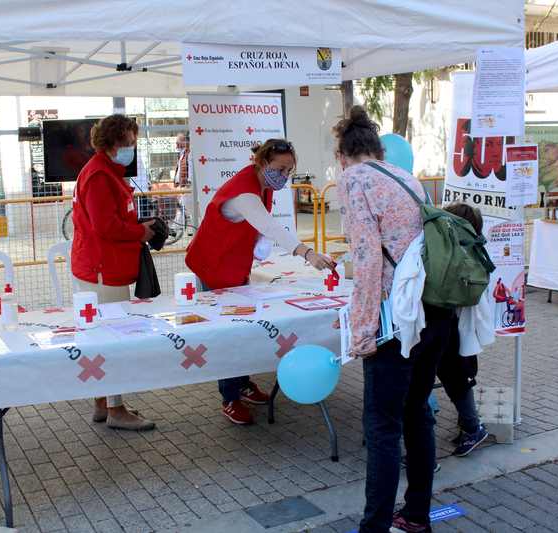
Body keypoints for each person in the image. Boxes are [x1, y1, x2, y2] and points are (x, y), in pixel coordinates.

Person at [334, 106, 454, 533]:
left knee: (382, 427)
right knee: (417, 412)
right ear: (377, 148)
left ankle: (375, 527)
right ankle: (417, 515)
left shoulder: (353, 179)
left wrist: (362, 331)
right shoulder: (407, 177)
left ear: (343, 154)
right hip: (435, 310)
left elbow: (367, 262)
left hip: (396, 321)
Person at [186, 139, 335, 425]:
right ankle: (230, 397)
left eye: (289, 171)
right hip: (213, 266)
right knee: (227, 334)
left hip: (233, 266)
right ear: (262, 163)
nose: (284, 176)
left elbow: (260, 228)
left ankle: (242, 383)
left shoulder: (261, 185)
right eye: (280, 169)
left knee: (242, 330)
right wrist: (307, 253)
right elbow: (270, 225)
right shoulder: (245, 192)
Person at [71, 114, 156, 431]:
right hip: (102, 269)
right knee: (112, 337)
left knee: (98, 336)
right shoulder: (100, 176)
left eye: (133, 143)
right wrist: (139, 233)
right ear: (111, 143)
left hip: (98, 267)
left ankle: (102, 402)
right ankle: (116, 409)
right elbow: (105, 226)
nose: (132, 148)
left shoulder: (105, 171)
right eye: (128, 143)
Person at [436, 203, 489, 458]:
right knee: (455, 379)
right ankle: (469, 425)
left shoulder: (463, 255)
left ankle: (472, 427)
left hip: (455, 328)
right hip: (456, 328)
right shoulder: (470, 250)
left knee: (457, 380)